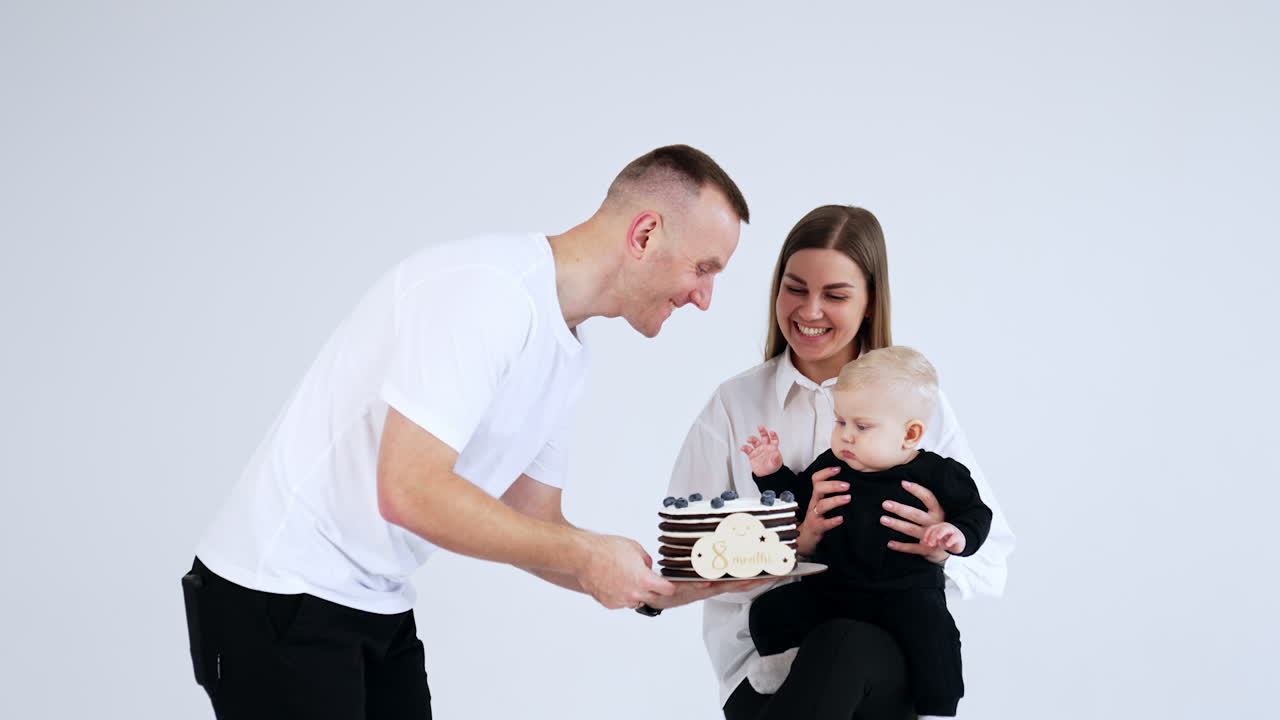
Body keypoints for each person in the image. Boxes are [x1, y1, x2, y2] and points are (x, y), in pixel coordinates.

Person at [182, 145, 760, 720]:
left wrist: (654, 587)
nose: (704, 298)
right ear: (645, 234)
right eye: (703, 268)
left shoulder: (568, 346)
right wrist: (585, 555)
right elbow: (408, 490)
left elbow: (536, 522)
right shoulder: (489, 293)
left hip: (373, 602)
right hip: (276, 593)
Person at [666, 205, 1015, 720]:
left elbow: (993, 560)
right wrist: (788, 541)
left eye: (835, 295)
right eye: (795, 288)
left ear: (871, 302)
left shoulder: (915, 408)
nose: (809, 311)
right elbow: (684, 557)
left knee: (844, 643)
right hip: (760, 671)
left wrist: (941, 546)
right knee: (827, 648)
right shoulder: (735, 406)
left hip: (880, 665)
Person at [744, 346, 993, 717]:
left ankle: (937, 707)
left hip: (903, 593)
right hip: (833, 587)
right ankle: (793, 660)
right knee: (769, 610)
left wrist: (956, 534)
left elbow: (976, 512)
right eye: (840, 421)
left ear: (910, 435)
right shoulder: (833, 465)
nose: (845, 436)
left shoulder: (939, 474)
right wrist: (770, 473)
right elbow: (796, 498)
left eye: (861, 427)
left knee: (936, 636)